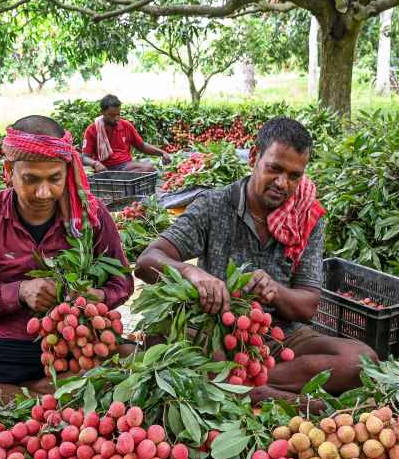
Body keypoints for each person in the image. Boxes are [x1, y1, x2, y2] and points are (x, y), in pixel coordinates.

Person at [135, 117, 377, 406]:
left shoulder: (305, 218)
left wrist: (276, 290)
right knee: (160, 341)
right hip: (218, 334)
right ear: (254, 157)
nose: (282, 183)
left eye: (294, 175)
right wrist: (191, 273)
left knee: (362, 361)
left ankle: (246, 386)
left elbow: (308, 306)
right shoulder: (213, 205)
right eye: (274, 169)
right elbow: (146, 261)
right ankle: (260, 390)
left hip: (278, 337)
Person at [0, 115, 133, 395]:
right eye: (31, 179)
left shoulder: (91, 215)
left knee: (138, 360)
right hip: (9, 346)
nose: (43, 192)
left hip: (76, 347)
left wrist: (95, 297)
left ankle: (16, 392)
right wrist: (19, 292)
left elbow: (123, 283)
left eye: (55, 179)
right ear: (9, 171)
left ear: (67, 172)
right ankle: (36, 393)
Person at [82, 95, 171, 173]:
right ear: (103, 113)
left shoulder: (126, 125)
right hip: (105, 169)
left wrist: (162, 153)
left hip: (125, 166)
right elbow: (85, 157)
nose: (116, 118)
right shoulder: (92, 129)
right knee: (143, 172)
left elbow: (142, 146)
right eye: (112, 115)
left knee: (149, 170)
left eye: (118, 114)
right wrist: (95, 163)